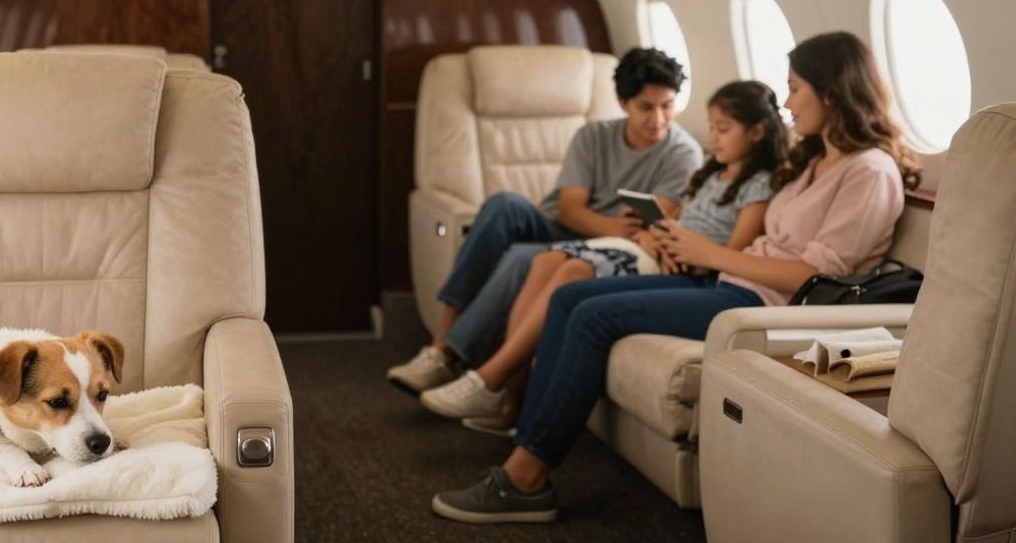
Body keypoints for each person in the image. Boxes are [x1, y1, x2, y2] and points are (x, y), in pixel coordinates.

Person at [430, 30, 921, 524]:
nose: (788, 103)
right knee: (569, 297)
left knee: (594, 318)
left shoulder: (869, 172)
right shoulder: (815, 161)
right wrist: (691, 253)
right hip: (731, 283)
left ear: (831, 93)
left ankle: (525, 479)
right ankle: (524, 446)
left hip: (765, 308)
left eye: (795, 89)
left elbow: (816, 275)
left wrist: (713, 255)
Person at [419, 81, 788, 424]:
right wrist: (652, 237)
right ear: (624, 103)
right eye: (711, 128)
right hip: (661, 249)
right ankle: (506, 396)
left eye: (723, 129)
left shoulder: (756, 184)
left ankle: (489, 380)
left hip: (689, 264)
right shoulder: (708, 173)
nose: (712, 138)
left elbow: (730, 253)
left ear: (756, 133)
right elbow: (672, 219)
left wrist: (677, 248)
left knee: (571, 272)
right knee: (545, 259)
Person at [387, 48, 703, 393]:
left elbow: (654, 224)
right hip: (569, 226)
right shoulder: (593, 136)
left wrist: (616, 233)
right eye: (646, 108)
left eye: (667, 106)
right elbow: (569, 210)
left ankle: (450, 357)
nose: (658, 119)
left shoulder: (683, 154)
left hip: (605, 246)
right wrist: (613, 226)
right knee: (503, 205)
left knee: (522, 257)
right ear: (623, 103)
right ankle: (439, 343)